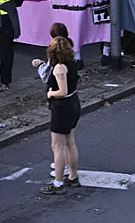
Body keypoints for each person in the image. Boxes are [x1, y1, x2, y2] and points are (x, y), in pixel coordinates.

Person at [34, 35, 81, 195]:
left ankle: (58, 183)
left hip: (62, 108)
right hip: (73, 104)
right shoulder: (72, 63)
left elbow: (62, 91)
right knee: (70, 142)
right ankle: (73, 176)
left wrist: (50, 93)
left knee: (57, 146)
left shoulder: (60, 67)